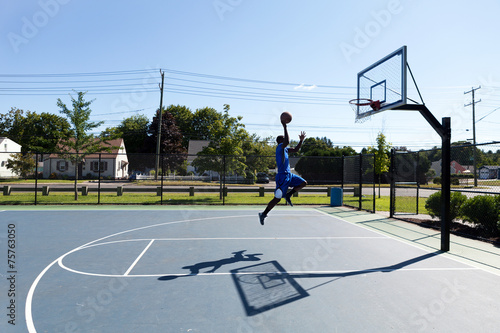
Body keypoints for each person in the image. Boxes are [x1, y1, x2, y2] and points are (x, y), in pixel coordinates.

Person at [259, 119, 307, 225]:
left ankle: (289, 195)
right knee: (277, 198)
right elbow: (287, 142)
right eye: (284, 139)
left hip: (288, 175)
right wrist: (285, 126)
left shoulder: (284, 149)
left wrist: (301, 141)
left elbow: (295, 150)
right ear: (281, 141)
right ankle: (263, 214)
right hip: (282, 177)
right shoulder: (280, 147)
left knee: (303, 183)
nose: (286, 140)